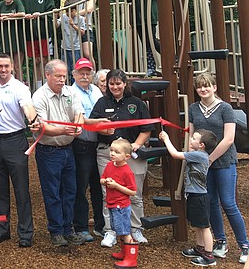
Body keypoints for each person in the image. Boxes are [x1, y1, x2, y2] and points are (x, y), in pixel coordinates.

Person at [189, 72, 249, 263]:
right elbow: (191, 136)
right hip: (203, 163)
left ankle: (244, 244)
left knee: (228, 203)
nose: (203, 89)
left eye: (207, 85)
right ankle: (220, 241)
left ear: (214, 87)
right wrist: (193, 159)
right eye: (199, 86)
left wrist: (210, 159)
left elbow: (229, 138)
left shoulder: (225, 108)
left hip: (223, 161)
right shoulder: (193, 108)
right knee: (211, 201)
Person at [90, 68, 153, 247]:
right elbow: (93, 125)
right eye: (111, 83)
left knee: (135, 194)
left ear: (125, 84)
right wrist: (104, 129)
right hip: (107, 153)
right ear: (107, 85)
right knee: (108, 192)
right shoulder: (101, 103)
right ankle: (111, 231)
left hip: (132, 154)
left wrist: (136, 145)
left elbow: (146, 128)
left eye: (118, 83)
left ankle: (135, 228)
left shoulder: (137, 103)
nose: (115, 87)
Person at [30, 59, 86, 247]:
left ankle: (68, 229)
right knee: (52, 192)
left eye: (64, 76)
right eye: (58, 76)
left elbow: (79, 113)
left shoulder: (71, 92)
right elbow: (42, 128)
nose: (62, 80)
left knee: (70, 191)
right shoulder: (39, 97)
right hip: (49, 151)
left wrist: (78, 124)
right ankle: (56, 231)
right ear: (47, 75)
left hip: (68, 149)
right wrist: (65, 130)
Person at [0, 54, 37, 248]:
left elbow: (28, 107)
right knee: (0, 191)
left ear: (12, 67)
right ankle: (1, 230)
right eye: (0, 66)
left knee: (21, 190)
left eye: (6, 66)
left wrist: (33, 119)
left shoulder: (20, 88)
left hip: (16, 140)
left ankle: (25, 233)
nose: (3, 69)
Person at [160, 128, 218, 267]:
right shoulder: (197, 153)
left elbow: (174, 154)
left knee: (204, 226)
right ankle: (200, 248)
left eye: (194, 138)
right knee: (198, 225)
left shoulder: (199, 155)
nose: (190, 139)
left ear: (202, 145)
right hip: (194, 195)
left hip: (200, 197)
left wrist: (166, 139)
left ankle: (209, 256)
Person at [70, 58, 105, 242]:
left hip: (98, 145)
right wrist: (102, 122)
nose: (85, 76)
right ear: (74, 74)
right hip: (81, 145)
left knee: (99, 186)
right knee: (80, 187)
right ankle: (81, 227)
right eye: (81, 72)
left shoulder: (97, 91)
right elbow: (81, 119)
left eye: (88, 72)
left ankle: (100, 225)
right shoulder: (71, 92)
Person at [100, 138, 139, 268]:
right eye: (111, 150)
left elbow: (132, 192)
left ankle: (131, 258)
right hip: (112, 204)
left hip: (121, 205)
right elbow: (102, 179)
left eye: (117, 152)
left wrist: (116, 186)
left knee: (125, 231)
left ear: (127, 156)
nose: (112, 154)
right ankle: (124, 253)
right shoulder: (109, 165)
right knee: (119, 230)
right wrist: (106, 181)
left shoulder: (127, 171)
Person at [18, 0, 55, 86]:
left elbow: (51, 10)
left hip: (44, 32)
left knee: (45, 60)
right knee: (35, 61)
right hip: (30, 34)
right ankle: (38, 87)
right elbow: (21, 12)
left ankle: (47, 85)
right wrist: (25, 16)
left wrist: (41, 15)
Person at [126, 0, 160, 76]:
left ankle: (171, 56)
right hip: (138, 17)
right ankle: (151, 67)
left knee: (152, 40)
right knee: (145, 43)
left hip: (150, 15)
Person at [75, 0, 98, 68]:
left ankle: (94, 76)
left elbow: (89, 9)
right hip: (72, 28)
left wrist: (74, 14)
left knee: (87, 54)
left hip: (86, 28)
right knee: (75, 55)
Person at [57, 0, 86, 78]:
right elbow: (56, 25)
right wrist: (55, 15)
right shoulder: (63, 17)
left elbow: (82, 32)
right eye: (66, 11)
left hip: (76, 48)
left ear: (76, 10)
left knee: (75, 69)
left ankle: (75, 84)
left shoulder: (80, 19)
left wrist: (73, 25)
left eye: (71, 11)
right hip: (65, 47)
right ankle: (66, 84)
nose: (68, 13)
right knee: (65, 68)